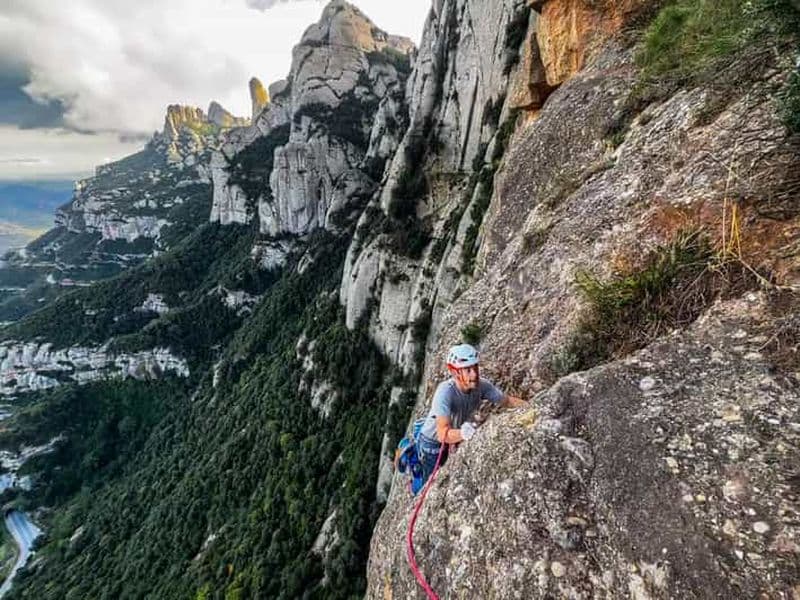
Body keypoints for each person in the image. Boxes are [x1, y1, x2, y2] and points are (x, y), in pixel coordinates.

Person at [415, 343, 527, 486]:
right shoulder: (445, 392)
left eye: (475, 368)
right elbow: (442, 433)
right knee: (430, 482)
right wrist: (463, 434)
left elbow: (507, 401)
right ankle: (416, 483)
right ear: (455, 372)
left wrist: (532, 406)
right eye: (467, 370)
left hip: (454, 433)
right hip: (432, 442)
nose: (474, 374)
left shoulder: (482, 386)